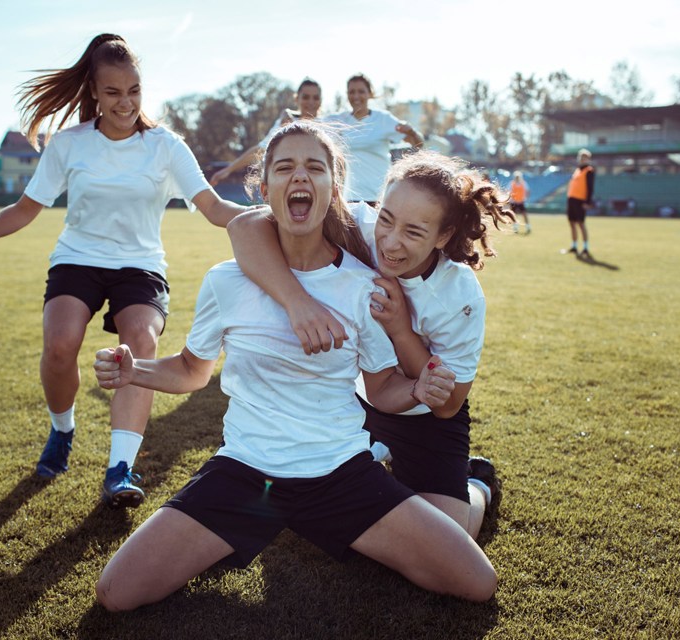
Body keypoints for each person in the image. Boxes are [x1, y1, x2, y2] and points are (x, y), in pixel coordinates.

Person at [91, 122, 497, 611]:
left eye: (314, 167)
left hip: (342, 474)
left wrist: (417, 388)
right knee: (117, 593)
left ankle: (459, 483)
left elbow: (391, 388)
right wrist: (137, 371)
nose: (299, 176)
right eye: (284, 167)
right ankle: (291, 509)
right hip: (245, 473)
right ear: (265, 190)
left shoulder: (368, 286)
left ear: (335, 188)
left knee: (476, 582)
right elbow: (193, 370)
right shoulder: (226, 280)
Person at [0, 34, 252, 509]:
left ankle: (119, 467)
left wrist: (267, 219)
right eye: (113, 92)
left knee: (141, 342)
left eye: (134, 90)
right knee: (60, 345)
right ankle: (62, 430)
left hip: (140, 266)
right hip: (78, 259)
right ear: (94, 92)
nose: (126, 102)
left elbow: (214, 207)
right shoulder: (70, 145)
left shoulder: (165, 147)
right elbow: (26, 208)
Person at [228, 150, 515, 541]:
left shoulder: (460, 295)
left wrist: (400, 330)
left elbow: (447, 405)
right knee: (311, 513)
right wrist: (298, 302)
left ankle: (477, 483)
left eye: (414, 232)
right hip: (354, 401)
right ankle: (374, 452)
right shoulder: (358, 228)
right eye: (387, 219)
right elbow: (245, 226)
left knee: (447, 537)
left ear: (443, 236)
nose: (391, 243)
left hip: (423, 419)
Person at [323, 74, 424, 205]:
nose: (356, 96)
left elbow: (418, 144)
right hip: (347, 197)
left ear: (370, 93)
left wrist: (412, 132)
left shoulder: (383, 119)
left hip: (378, 196)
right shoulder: (338, 120)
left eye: (361, 91)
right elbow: (308, 122)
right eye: (351, 92)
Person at [209, 78, 323, 186]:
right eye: (306, 97)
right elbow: (262, 149)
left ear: (321, 100)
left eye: (316, 97)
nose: (311, 102)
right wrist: (228, 170)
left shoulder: (329, 124)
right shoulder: (285, 121)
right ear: (296, 98)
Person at [564, 149, 595, 257]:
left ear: (588, 159)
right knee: (572, 223)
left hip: (580, 201)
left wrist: (587, 202)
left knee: (581, 224)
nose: (582, 159)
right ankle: (574, 246)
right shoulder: (577, 170)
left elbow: (590, 188)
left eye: (584, 157)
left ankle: (585, 247)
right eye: (581, 157)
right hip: (571, 200)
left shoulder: (589, 170)